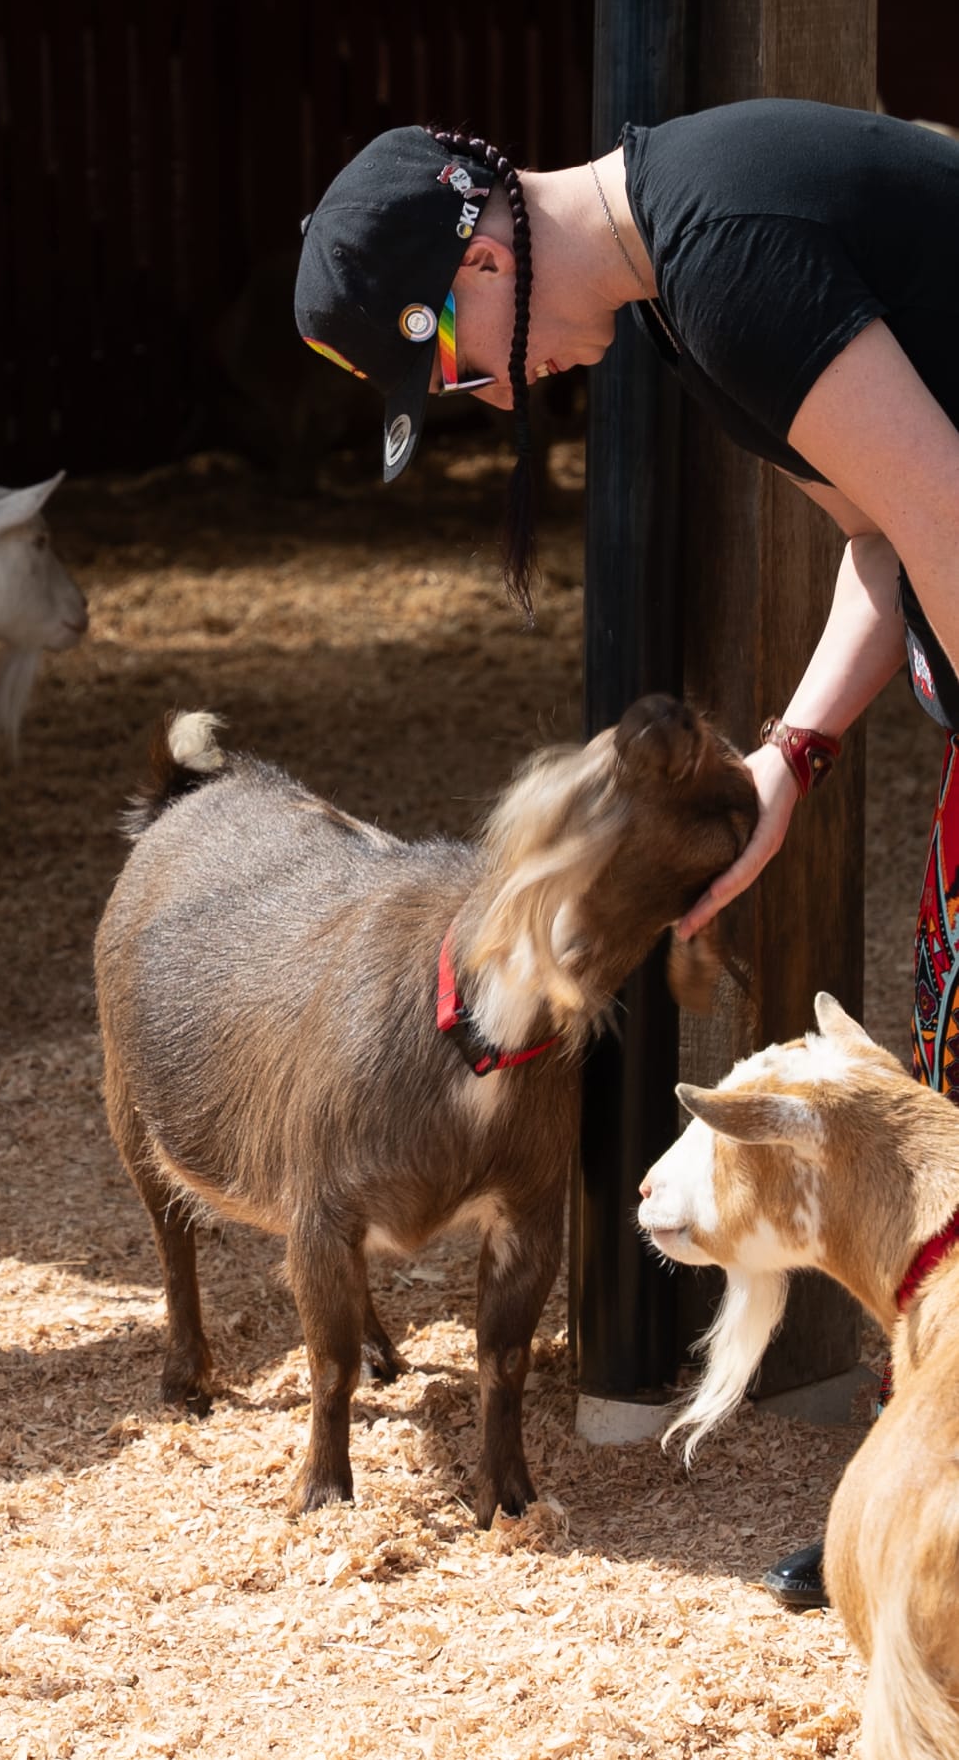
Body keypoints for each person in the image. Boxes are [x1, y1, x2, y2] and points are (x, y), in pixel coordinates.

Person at [292, 100, 959, 1613]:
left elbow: (950, 515)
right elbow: (883, 540)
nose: (482, 391)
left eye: (450, 357)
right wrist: (793, 755)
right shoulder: (682, 300)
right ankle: (924, 1522)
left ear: (479, 253)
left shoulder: (725, 251)